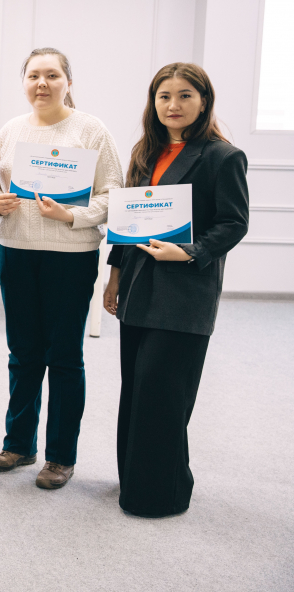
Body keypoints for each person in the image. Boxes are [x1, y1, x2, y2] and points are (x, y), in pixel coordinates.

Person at [104, 63, 247, 517]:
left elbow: (233, 223)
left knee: (163, 393)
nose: (173, 105)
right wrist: (115, 276)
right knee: (136, 389)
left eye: (185, 96)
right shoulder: (145, 151)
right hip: (140, 287)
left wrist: (189, 252)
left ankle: (160, 494)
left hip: (185, 291)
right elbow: (126, 222)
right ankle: (135, 481)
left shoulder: (223, 156)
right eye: (164, 96)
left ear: (203, 101)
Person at [0, 47, 123, 490]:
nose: (42, 83)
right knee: (22, 354)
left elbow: (111, 194)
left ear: (68, 82)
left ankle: (61, 456)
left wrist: (71, 216)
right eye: (33, 76)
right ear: (23, 82)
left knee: (63, 357)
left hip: (70, 256)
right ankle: (19, 444)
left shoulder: (91, 130)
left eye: (52, 75)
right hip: (17, 250)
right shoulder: (10, 130)